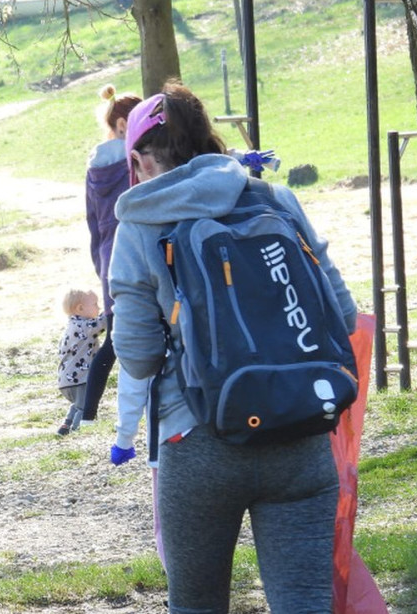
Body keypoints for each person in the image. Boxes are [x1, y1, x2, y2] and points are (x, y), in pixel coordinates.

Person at [109, 81, 355, 612]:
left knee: (197, 604)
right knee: (305, 601)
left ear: (140, 160)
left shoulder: (140, 225)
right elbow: (343, 312)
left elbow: (139, 355)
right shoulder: (275, 199)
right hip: (300, 429)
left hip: (198, 439)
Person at [82, 84, 144, 427]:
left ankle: (88, 412)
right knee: (128, 338)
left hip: (109, 257)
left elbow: (93, 223)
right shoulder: (136, 161)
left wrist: (100, 265)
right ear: (123, 125)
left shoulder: (94, 169)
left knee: (115, 340)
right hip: (135, 251)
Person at [55, 288, 104, 436]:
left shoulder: (73, 325)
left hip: (67, 381)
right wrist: (114, 309)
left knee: (78, 404)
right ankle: (78, 431)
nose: (99, 307)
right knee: (85, 405)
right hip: (79, 379)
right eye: (95, 304)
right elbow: (103, 322)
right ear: (80, 308)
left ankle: (65, 426)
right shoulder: (83, 326)